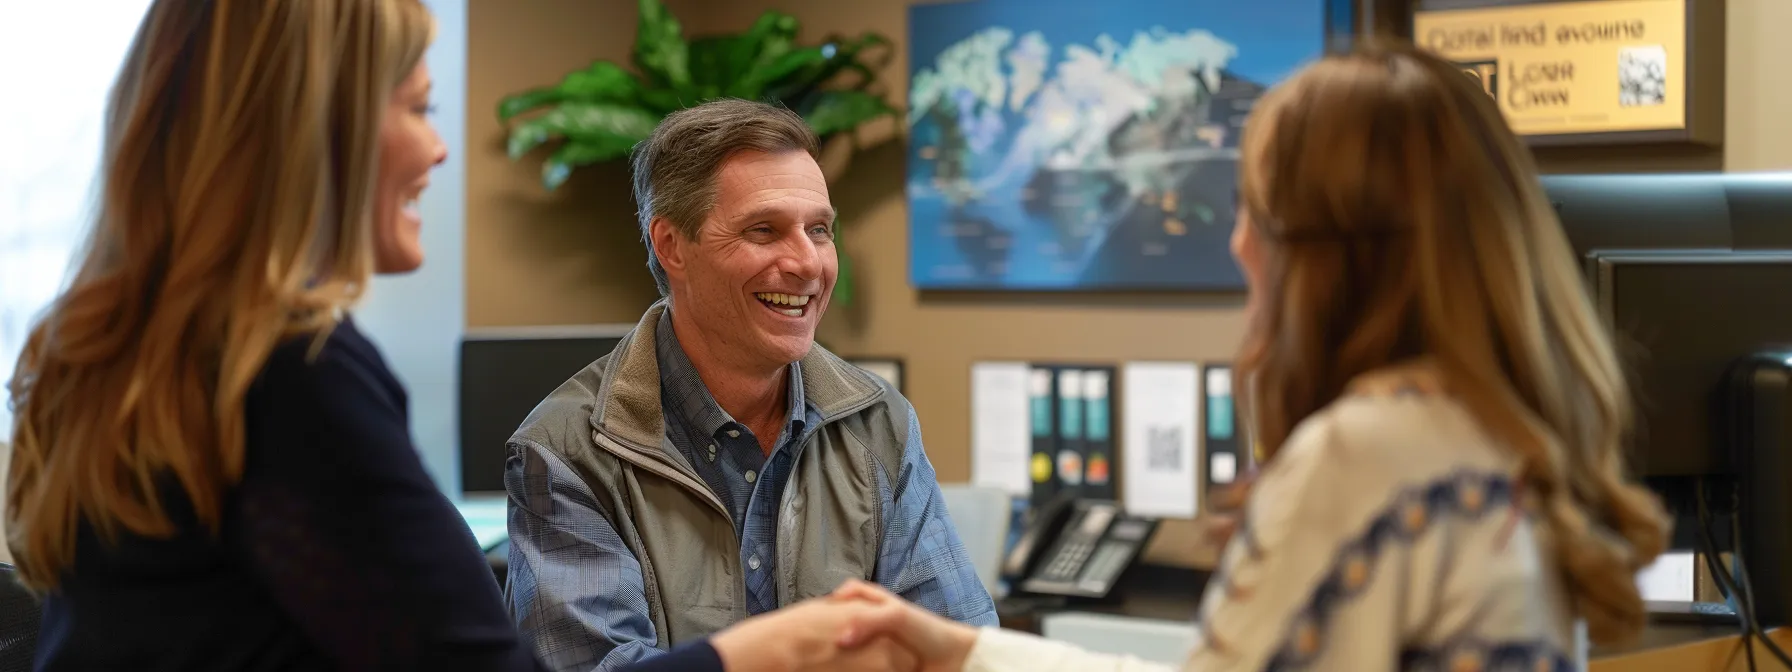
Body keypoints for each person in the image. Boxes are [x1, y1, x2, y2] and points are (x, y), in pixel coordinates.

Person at [2, 2, 913, 671]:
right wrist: (772, 650)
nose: (438, 151)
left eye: (819, 228)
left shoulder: (125, 354)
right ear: (317, 132)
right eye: (417, 109)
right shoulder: (290, 375)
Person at [819, 42, 1673, 671]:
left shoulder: (1364, 454)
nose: (1235, 244)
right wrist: (969, 651)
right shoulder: (1498, 433)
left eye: (1254, 214)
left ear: (1325, 251)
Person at [502, 98, 997, 671]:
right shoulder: (566, 451)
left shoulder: (878, 421)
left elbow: (958, 651)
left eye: (819, 229)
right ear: (669, 245)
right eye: (764, 230)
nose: (808, 263)